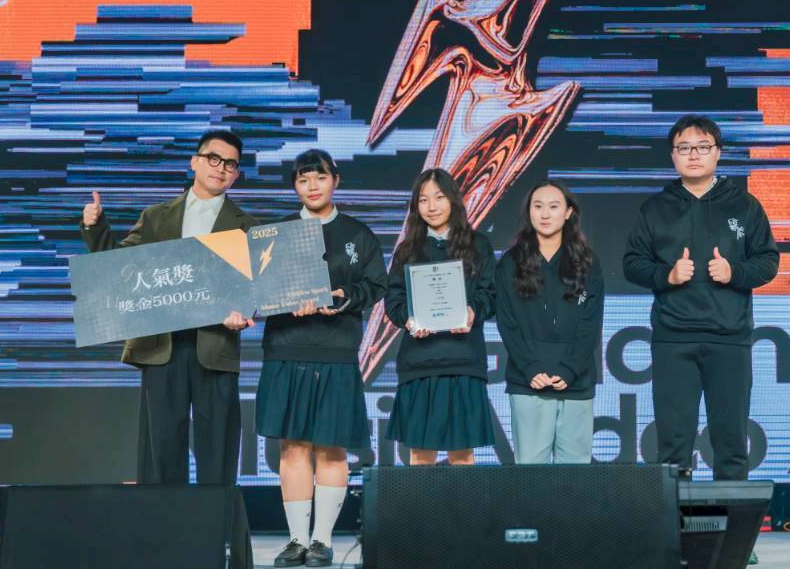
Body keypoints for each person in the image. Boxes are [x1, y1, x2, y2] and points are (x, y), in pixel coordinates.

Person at [80, 129, 258, 485]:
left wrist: (245, 314)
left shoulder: (247, 227)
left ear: (236, 175)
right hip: (162, 345)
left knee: (218, 449)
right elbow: (118, 267)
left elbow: (254, 290)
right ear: (195, 162)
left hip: (215, 346)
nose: (221, 168)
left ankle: (213, 521)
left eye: (230, 164)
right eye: (214, 158)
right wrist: (94, 226)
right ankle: (163, 521)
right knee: (160, 450)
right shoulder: (156, 217)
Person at [623, 115, 780, 481]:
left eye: (702, 147)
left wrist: (734, 272)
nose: (693, 155)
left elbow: (768, 261)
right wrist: (667, 276)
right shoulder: (655, 208)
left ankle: (732, 522)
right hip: (673, 340)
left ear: (717, 152)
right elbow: (632, 264)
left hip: (729, 338)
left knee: (732, 443)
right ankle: (675, 520)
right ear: (673, 156)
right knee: (673, 447)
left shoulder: (745, 206)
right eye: (684, 148)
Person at [257, 150, 387, 569]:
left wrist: (344, 297)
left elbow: (376, 286)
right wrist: (281, 301)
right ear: (294, 186)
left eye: (320, 177)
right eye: (303, 179)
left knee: (332, 447)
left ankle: (322, 541)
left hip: (336, 350)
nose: (312, 186)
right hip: (287, 347)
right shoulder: (275, 234)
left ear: (336, 180)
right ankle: (296, 540)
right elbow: (257, 289)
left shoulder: (358, 234)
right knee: (292, 446)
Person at [384, 168, 497, 465]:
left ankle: (462, 502)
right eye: (423, 200)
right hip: (420, 363)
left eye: (439, 197)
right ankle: (421, 502)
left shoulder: (478, 245)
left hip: (463, 361)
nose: (431, 206)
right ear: (415, 206)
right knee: (420, 456)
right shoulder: (407, 250)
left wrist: (472, 311)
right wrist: (410, 319)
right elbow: (393, 300)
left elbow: (490, 293)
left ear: (453, 200)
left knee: (462, 455)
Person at [495, 180, 604, 465]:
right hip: (528, 380)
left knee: (575, 473)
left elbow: (591, 324)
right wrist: (530, 368)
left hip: (576, 380)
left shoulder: (587, 263)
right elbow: (507, 323)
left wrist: (570, 370)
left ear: (568, 213)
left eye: (554, 207)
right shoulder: (510, 263)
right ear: (529, 212)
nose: (545, 214)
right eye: (538, 206)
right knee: (531, 473)